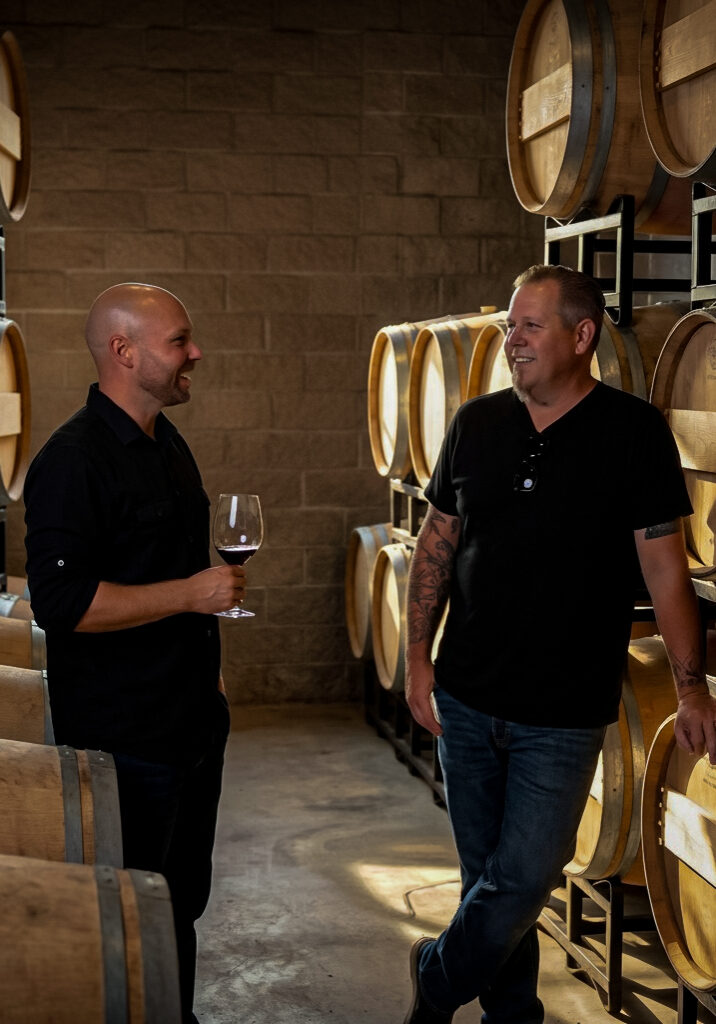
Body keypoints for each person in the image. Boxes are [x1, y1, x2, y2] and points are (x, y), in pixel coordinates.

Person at [402, 264, 716, 1024]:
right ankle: (515, 1016)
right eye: (511, 325)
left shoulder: (634, 433)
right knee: (488, 880)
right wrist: (416, 658)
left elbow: (665, 570)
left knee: (522, 880)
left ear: (582, 336)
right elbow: (436, 546)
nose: (513, 340)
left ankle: (436, 976)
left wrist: (688, 686)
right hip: (468, 699)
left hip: (564, 714)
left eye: (530, 326)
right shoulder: (477, 424)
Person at [24, 283, 246, 1023]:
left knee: (181, 905)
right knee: (139, 916)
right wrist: (190, 594)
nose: (196, 353)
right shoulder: (72, 462)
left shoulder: (166, 439)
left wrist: (210, 682)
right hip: (129, 743)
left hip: (190, 727)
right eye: (180, 341)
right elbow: (62, 605)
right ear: (124, 352)